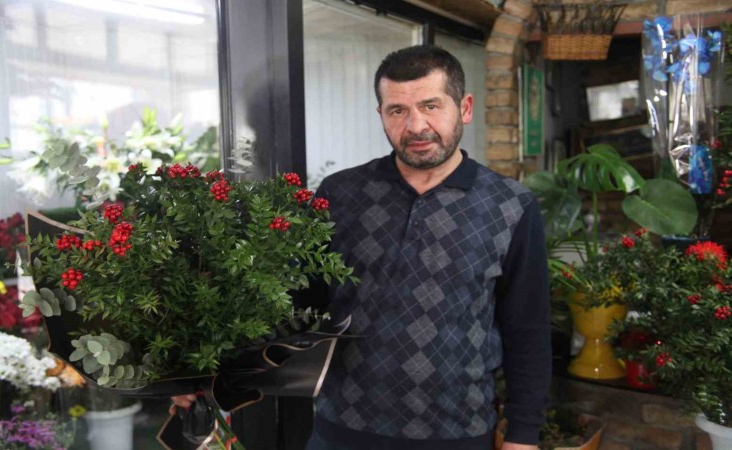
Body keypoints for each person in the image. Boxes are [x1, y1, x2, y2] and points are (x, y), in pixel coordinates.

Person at [174, 44, 551, 450]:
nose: (416, 126)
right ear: (381, 115)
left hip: (458, 433)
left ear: (465, 108)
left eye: (431, 106)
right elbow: (293, 304)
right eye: (397, 110)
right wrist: (202, 371)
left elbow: (527, 329)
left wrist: (523, 435)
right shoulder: (341, 193)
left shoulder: (510, 205)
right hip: (341, 430)